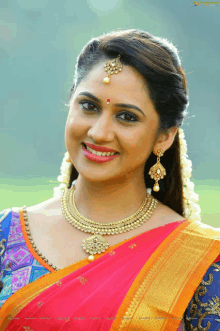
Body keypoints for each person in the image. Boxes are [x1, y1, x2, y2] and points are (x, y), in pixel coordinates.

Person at [0, 28, 220, 331]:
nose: (99, 133)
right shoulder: (7, 235)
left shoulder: (200, 258)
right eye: (89, 107)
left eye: (127, 116)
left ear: (164, 137)